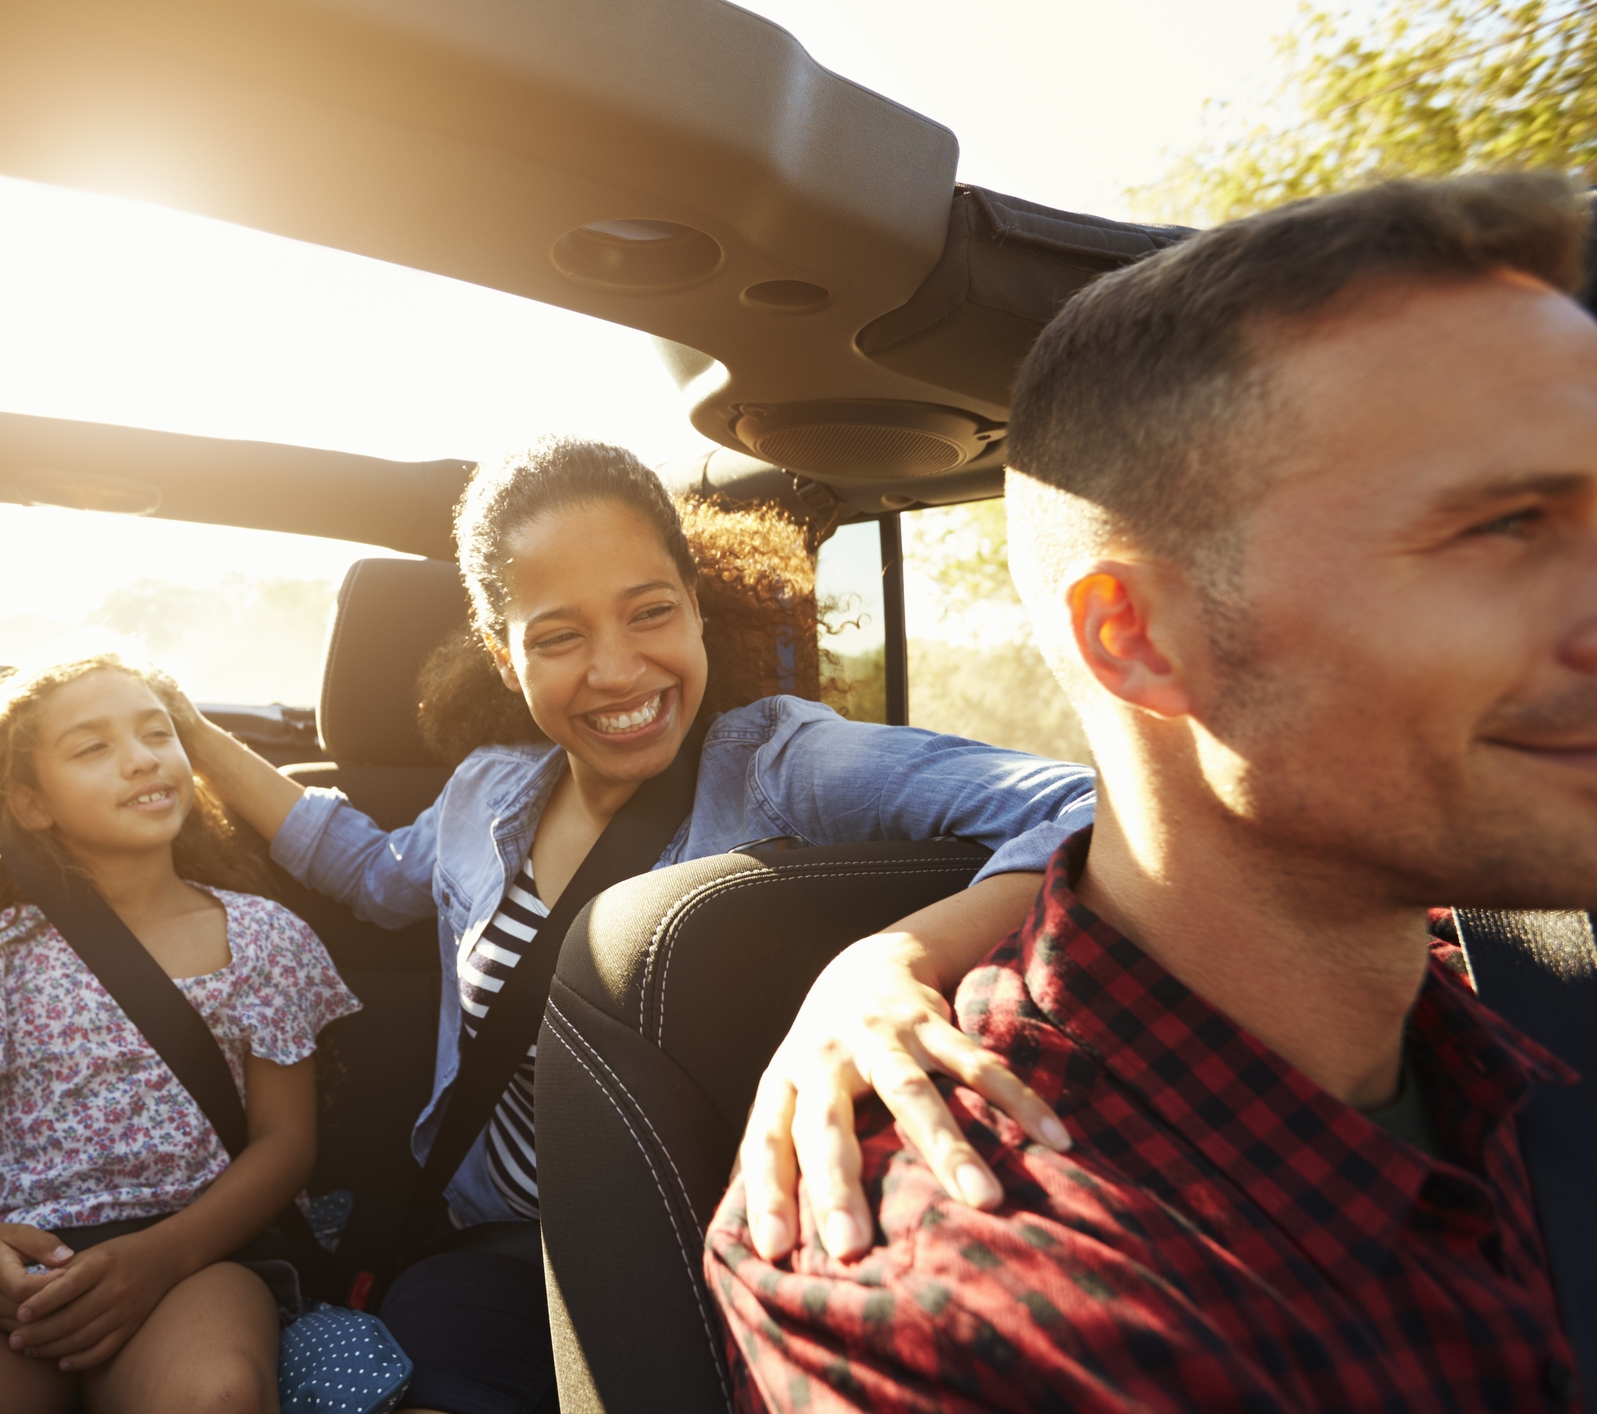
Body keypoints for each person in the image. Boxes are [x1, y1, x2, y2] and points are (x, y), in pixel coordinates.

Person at [707, 172, 1595, 1411]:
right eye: (1502, 526)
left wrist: (888, 950)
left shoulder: (1504, 1013)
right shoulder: (946, 1300)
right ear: (1137, 639)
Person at [173, 438, 1095, 1414]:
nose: (619, 671)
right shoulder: (487, 794)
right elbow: (366, 871)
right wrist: (185, 731)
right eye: (559, 635)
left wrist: (890, 962)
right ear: (504, 653)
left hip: (732, 1243)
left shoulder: (781, 762)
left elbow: (1084, 802)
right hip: (498, 1253)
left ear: (697, 605)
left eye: (650, 611)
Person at [0, 654, 360, 1414]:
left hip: (197, 1254)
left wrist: (161, 1255)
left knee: (217, 1396)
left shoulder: (265, 939)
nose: (142, 757)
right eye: (93, 748)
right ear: (32, 803)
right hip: (22, 1273)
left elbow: (285, 1144)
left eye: (157, 733)